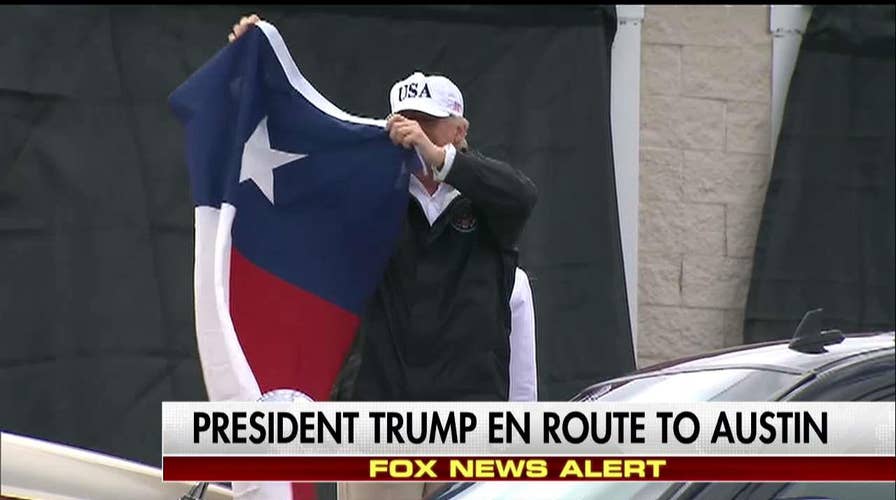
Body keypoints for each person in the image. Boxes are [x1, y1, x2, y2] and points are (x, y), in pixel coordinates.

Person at [229, 15, 538, 499]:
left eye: (428, 123)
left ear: (460, 130)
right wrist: (253, 68)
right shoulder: (370, 195)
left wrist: (440, 159)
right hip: (377, 422)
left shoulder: (490, 203)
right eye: (405, 121)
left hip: (469, 426)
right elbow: (296, 158)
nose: (414, 132)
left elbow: (522, 195)